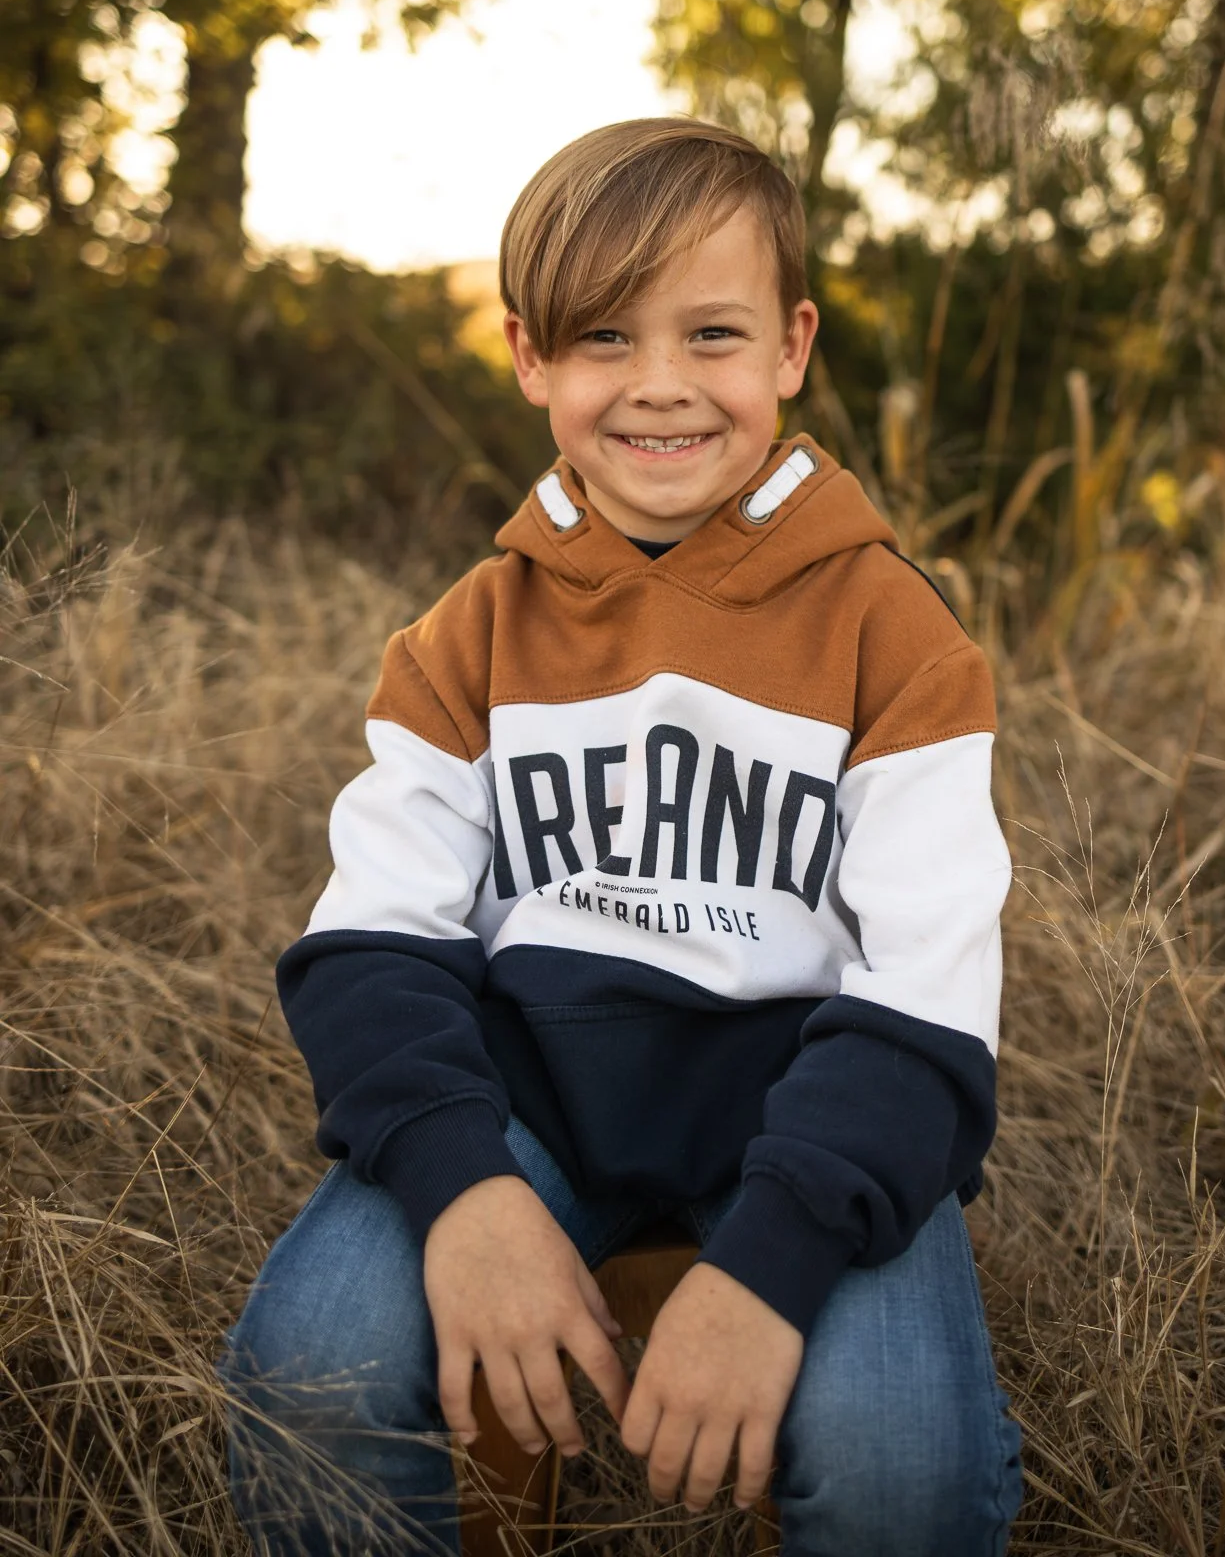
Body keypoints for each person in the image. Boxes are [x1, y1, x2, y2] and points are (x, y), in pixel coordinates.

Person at [220, 116, 1023, 1556]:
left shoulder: (893, 635)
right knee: (307, 1369)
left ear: (791, 346)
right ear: (531, 358)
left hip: (808, 1121)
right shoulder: (470, 636)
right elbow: (369, 944)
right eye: (604, 337)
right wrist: (466, 1189)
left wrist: (773, 1264)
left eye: (713, 333)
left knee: (900, 1466)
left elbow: (930, 998)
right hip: (527, 1111)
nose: (660, 384)